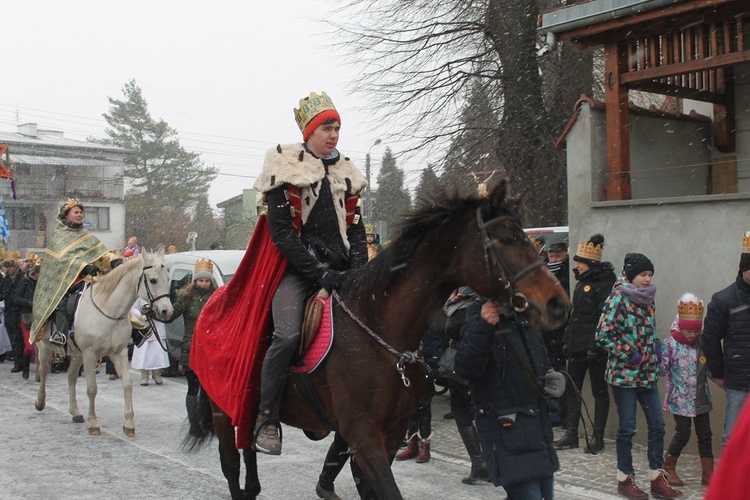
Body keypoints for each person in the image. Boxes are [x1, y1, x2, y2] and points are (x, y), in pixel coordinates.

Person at [251, 91, 367, 456]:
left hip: (343, 271)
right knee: (285, 337)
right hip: (298, 273)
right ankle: (266, 417)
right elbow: (283, 236)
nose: (334, 135)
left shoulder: (347, 172)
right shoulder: (285, 167)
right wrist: (318, 273)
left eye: (337, 127)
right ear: (310, 131)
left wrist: (360, 273)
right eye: (327, 128)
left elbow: (358, 231)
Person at [455, 297, 564, 499]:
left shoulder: (524, 314)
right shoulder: (479, 314)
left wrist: (550, 380)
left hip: (538, 429)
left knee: (545, 496)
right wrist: (483, 325)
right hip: (507, 430)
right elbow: (465, 368)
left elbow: (541, 358)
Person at [595, 252, 681, 499]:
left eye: (650, 275)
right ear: (632, 275)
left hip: (647, 374)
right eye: (643, 274)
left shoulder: (648, 299)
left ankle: (656, 477)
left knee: (658, 425)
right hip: (624, 376)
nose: (647, 279)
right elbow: (602, 335)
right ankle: (625, 479)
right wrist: (627, 353)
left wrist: (654, 344)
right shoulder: (618, 299)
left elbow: (645, 330)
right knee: (628, 429)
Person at [30, 198, 122, 347]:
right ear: (66, 215)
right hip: (65, 280)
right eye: (76, 212)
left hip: (90, 279)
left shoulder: (85, 235)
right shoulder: (58, 235)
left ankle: (134, 329)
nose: (80, 215)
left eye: (81, 212)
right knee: (63, 302)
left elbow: (101, 253)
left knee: (113, 298)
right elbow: (62, 260)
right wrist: (84, 266)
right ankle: (60, 333)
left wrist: (114, 261)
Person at [555, 234, 616, 452]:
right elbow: (576, 315)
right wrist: (567, 340)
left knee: (600, 392)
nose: (577, 266)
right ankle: (572, 434)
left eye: (579, 262)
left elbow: (603, 319)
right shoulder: (582, 283)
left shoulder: (605, 284)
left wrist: (594, 345)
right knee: (573, 390)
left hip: (595, 350)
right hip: (576, 347)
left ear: (589, 263)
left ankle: (597, 437)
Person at [659, 293, 713, 487]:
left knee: (705, 435)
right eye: (687, 331)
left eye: (695, 331)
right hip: (679, 398)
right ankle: (668, 467)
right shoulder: (671, 345)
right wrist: (657, 355)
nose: (691, 335)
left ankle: (708, 473)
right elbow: (662, 370)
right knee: (683, 433)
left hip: (700, 397)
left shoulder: (702, 344)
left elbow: (709, 369)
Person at [702, 230, 750, 449]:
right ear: (744, 269)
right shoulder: (724, 299)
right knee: (732, 437)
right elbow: (710, 339)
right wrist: (718, 373)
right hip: (738, 380)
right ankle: (728, 482)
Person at [441, 287, 489, 484]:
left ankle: (480, 463)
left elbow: (450, 329)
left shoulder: (467, 304)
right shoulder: (472, 301)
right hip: (470, 361)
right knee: (476, 413)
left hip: (465, 363)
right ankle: (484, 463)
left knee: (464, 413)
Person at [166, 258, 217, 435]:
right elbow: (171, 315)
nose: (203, 283)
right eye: (201, 280)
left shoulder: (217, 297)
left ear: (211, 281)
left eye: (206, 280)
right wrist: (154, 312)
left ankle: (211, 423)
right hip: (191, 348)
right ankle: (195, 426)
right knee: (193, 388)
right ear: (195, 281)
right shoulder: (186, 297)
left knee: (211, 390)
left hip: (211, 350)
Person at [543, 241, 570, 427]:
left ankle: (560, 412)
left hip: (560, 333)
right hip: (546, 333)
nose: (553, 259)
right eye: (551, 256)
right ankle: (553, 411)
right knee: (550, 372)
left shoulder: (567, 275)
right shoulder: (544, 273)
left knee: (561, 373)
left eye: (557, 256)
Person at [130, 296, 170, 386]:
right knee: (143, 354)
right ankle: (144, 376)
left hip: (157, 327)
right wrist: (140, 316)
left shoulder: (160, 295)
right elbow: (132, 308)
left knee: (157, 353)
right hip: (144, 328)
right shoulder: (140, 296)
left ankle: (156, 374)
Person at [15, 260, 41, 379]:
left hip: (40, 316)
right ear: (35, 274)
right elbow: (16, 297)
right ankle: (25, 369)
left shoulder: (41, 284)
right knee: (29, 346)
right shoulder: (25, 282)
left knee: (41, 346)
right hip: (26, 316)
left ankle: (40, 371)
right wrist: (29, 303)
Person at [0, 251, 25, 374]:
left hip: (20, 313)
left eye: (11, 266)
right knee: (13, 338)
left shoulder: (23, 278)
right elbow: (1, 294)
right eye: (7, 267)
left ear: (16, 266)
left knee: (20, 339)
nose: (9, 269)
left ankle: (21, 362)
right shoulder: (5, 280)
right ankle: (17, 361)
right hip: (9, 313)